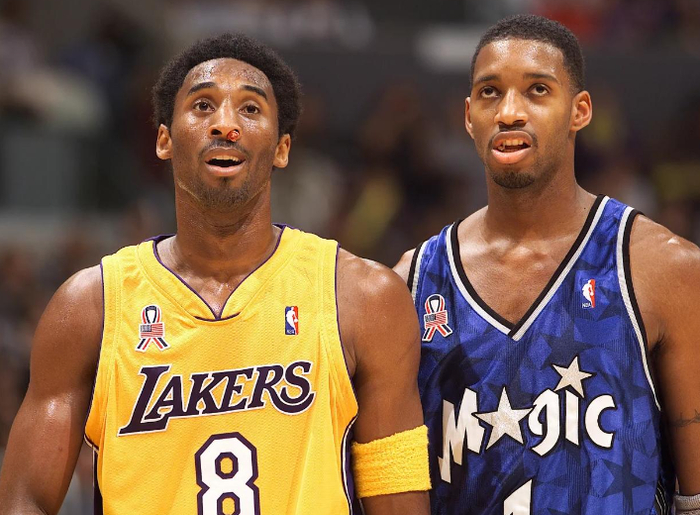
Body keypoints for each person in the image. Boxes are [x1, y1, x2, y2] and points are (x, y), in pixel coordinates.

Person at [0, 33, 431, 515]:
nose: (225, 124)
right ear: (164, 139)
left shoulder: (363, 297)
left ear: (282, 147)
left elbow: (398, 496)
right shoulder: (89, 307)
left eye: (250, 108)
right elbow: (24, 501)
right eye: (203, 105)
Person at [394, 14, 700, 515]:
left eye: (537, 90)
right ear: (468, 116)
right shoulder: (413, 279)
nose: (509, 112)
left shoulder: (666, 268)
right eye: (490, 93)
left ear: (580, 111)